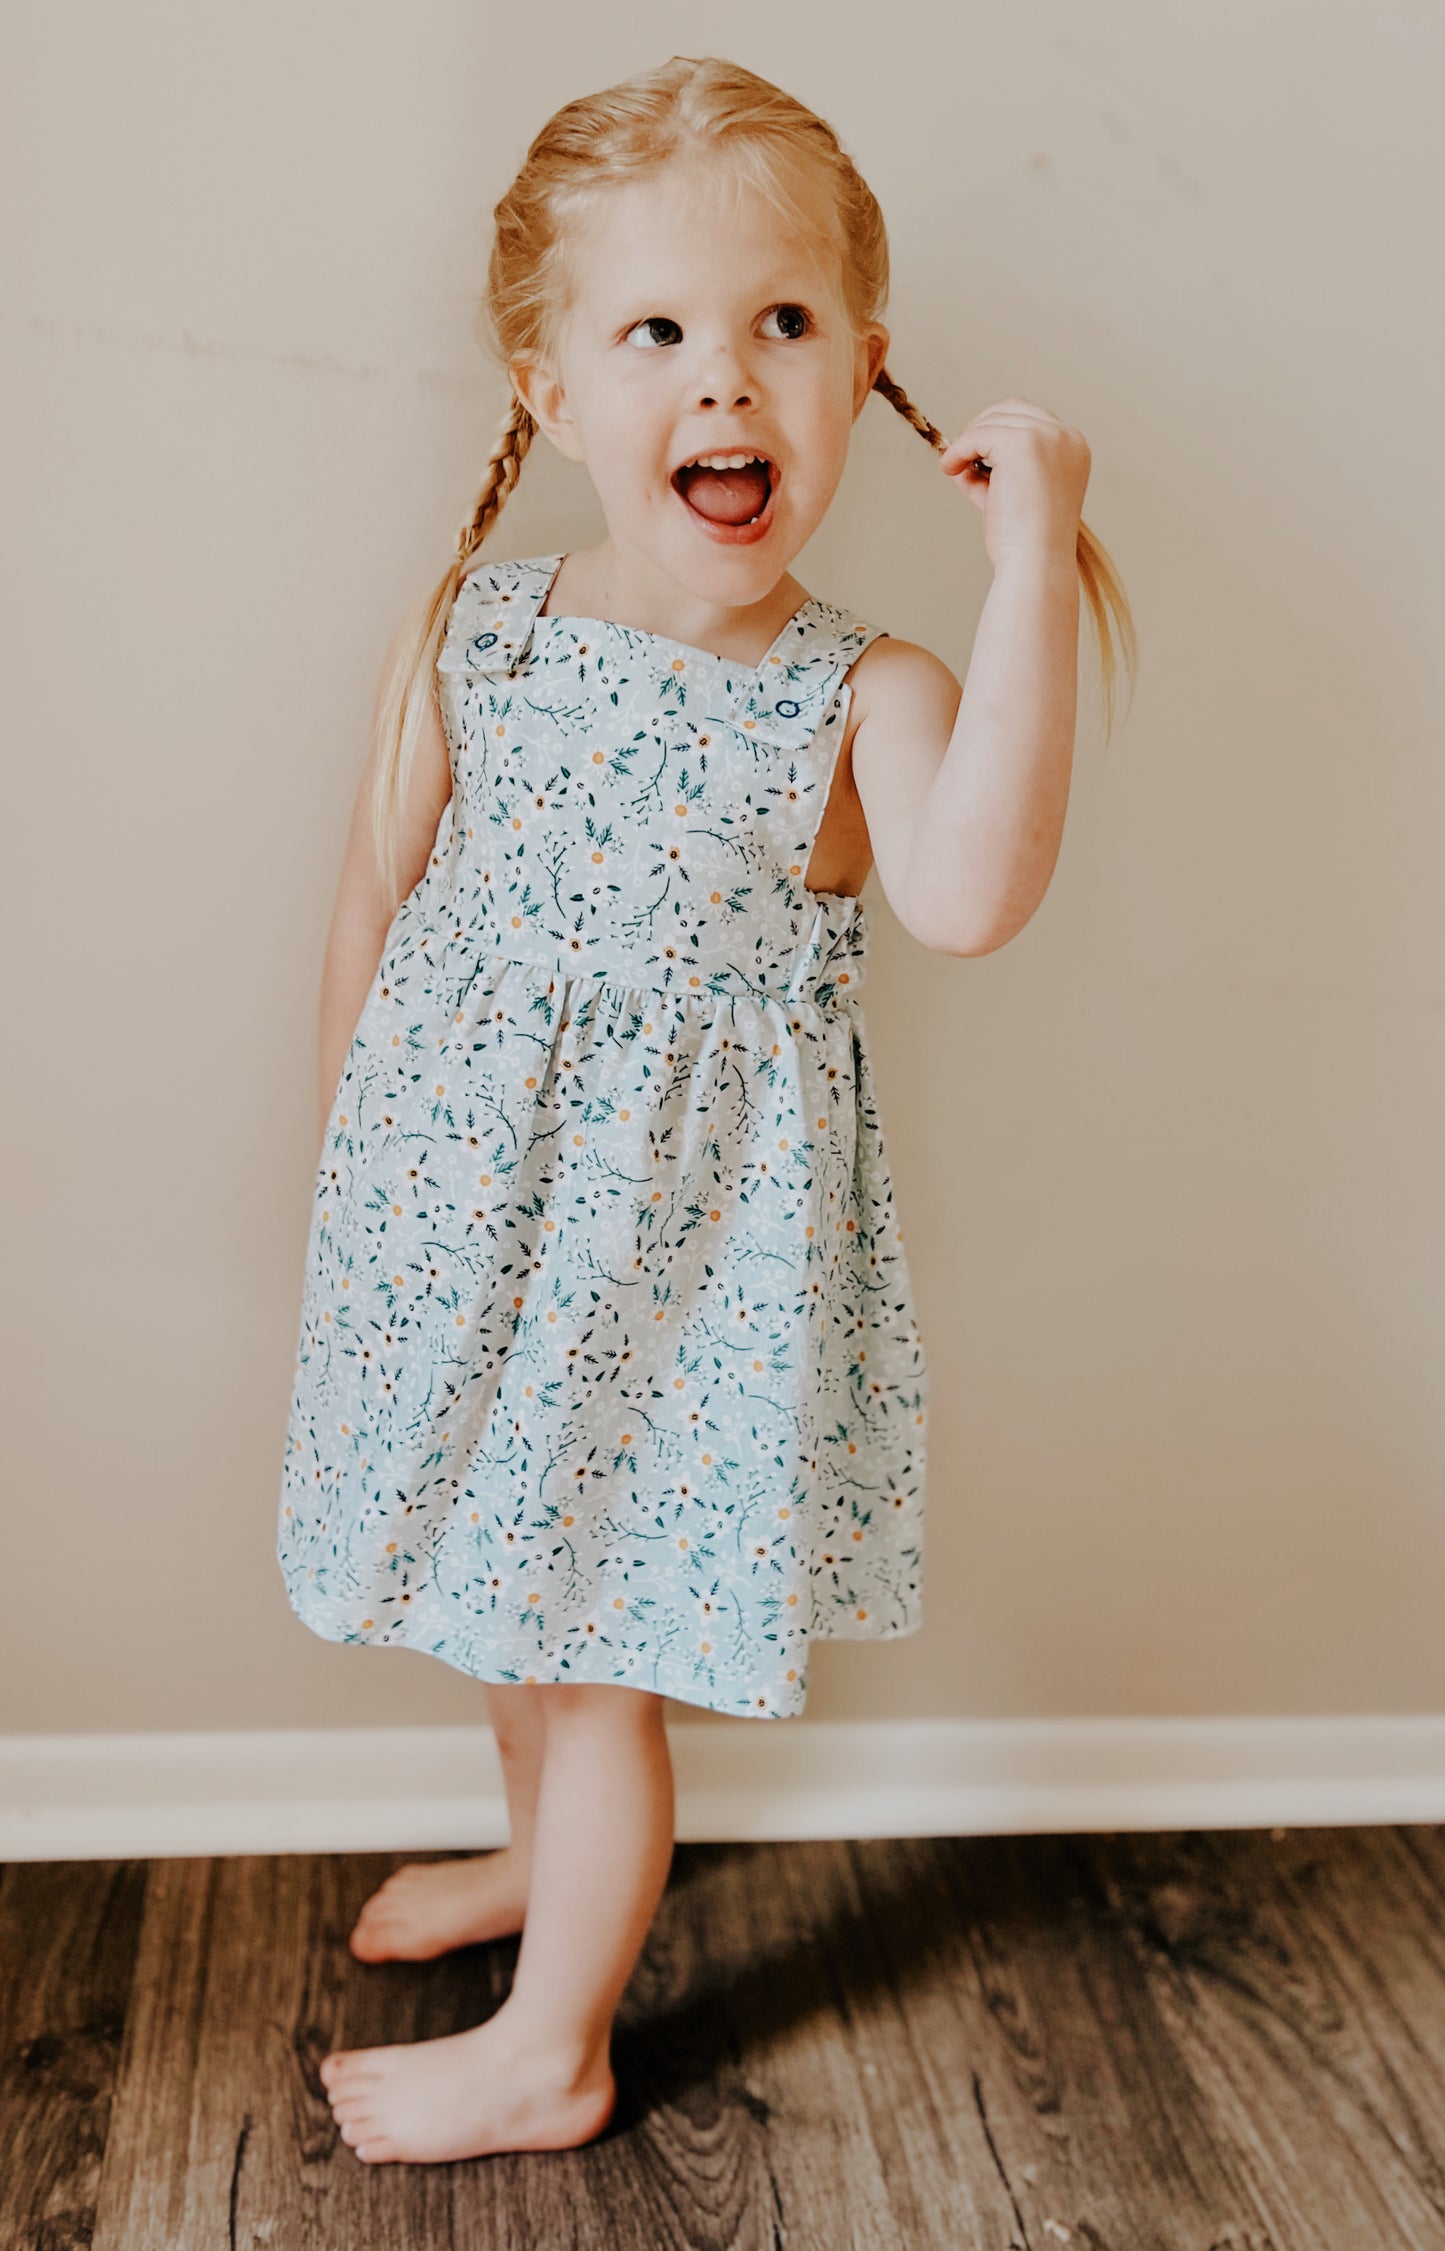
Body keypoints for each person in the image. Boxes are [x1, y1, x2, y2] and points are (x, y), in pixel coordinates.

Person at [279, 53, 1133, 2166]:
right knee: (498, 1603)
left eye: (780, 326)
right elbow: (376, 897)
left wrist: (1034, 561)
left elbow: (973, 896)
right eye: (657, 330)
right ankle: (530, 1856)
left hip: (673, 1293)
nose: (724, 381)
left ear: (862, 372)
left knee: (596, 1671)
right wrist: (347, 1181)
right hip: (460, 1239)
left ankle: (552, 2038)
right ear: (553, 388)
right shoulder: (479, 628)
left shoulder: (864, 696)